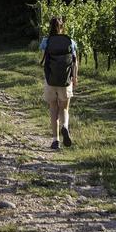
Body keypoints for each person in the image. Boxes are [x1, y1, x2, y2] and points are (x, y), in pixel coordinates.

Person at [40, 16, 78, 150]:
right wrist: (74, 77)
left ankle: (55, 141)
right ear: (62, 27)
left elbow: (43, 60)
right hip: (65, 80)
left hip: (50, 80)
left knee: (53, 109)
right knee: (65, 108)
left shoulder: (46, 41)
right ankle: (65, 126)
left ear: (50, 27)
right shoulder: (71, 41)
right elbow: (74, 61)